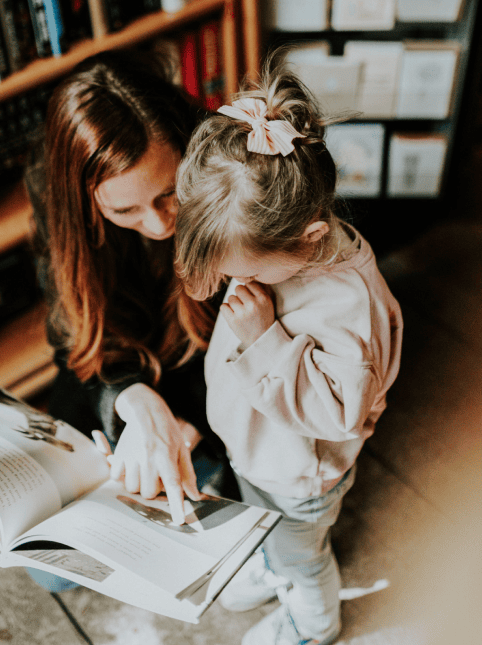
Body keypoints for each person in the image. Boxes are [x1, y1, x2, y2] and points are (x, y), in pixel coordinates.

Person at [174, 53, 403, 645]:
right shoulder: (278, 241)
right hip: (263, 449)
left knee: (304, 553)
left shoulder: (346, 307)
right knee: (268, 526)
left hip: (301, 472)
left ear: (311, 237)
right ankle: (273, 563)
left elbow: (338, 410)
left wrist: (266, 340)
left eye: (244, 271)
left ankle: (313, 622)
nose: (236, 282)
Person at [23, 50, 236, 592]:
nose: (160, 224)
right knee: (48, 570)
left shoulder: (227, 174)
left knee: (204, 515)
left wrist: (190, 426)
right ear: (85, 203)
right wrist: (130, 399)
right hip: (115, 375)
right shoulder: (56, 202)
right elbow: (71, 335)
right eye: (125, 212)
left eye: (170, 193)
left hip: (214, 376)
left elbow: (247, 343)